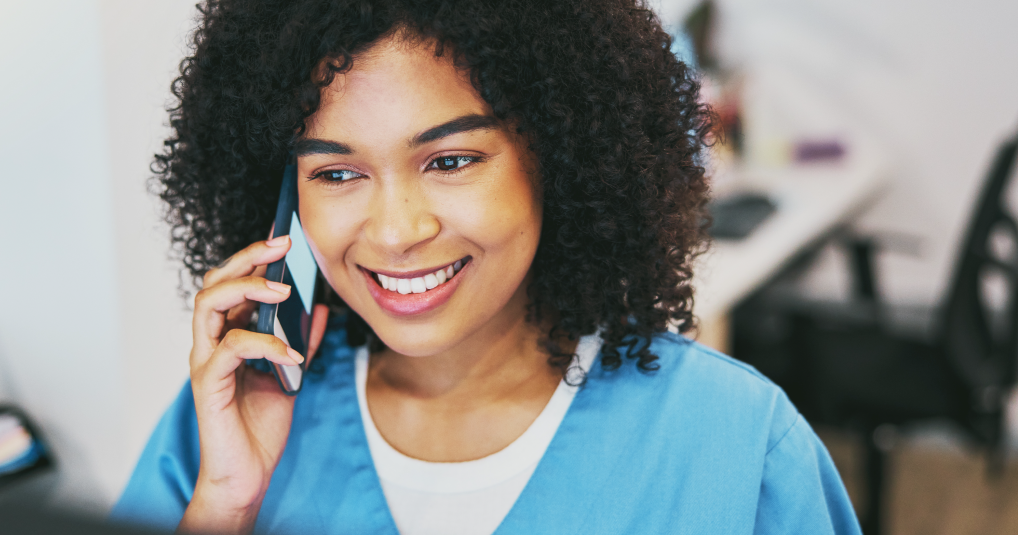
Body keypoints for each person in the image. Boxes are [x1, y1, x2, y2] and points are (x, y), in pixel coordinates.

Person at [110, 0, 860, 534]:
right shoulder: (227, 420)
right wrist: (225, 506)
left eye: (452, 159)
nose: (397, 231)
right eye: (336, 174)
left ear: (557, 153)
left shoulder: (733, 443)